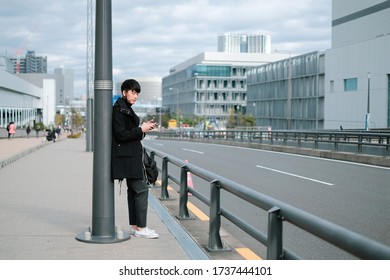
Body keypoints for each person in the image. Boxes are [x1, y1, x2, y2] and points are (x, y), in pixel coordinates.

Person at [111, 79, 159, 239]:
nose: (136, 96)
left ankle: (135, 226)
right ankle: (141, 228)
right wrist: (140, 129)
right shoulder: (119, 109)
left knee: (133, 191)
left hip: (129, 156)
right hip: (127, 157)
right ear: (124, 92)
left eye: (137, 93)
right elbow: (121, 134)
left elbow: (130, 133)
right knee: (141, 189)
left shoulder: (125, 108)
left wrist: (142, 129)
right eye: (133, 92)